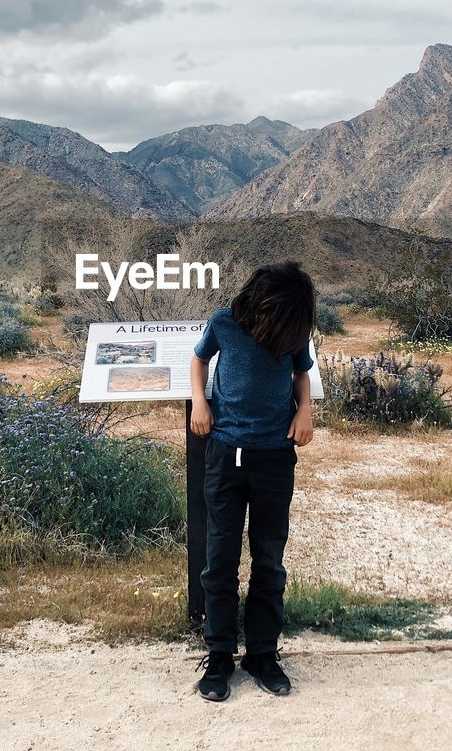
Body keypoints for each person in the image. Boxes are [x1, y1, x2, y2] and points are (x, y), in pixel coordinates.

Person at [189, 261, 316, 701]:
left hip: (275, 456)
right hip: (226, 452)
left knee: (269, 558)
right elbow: (198, 359)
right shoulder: (224, 321)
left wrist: (305, 410)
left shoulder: (294, 326)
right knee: (220, 557)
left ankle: (262, 653)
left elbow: (302, 373)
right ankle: (220, 653)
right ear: (261, 305)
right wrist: (199, 404)